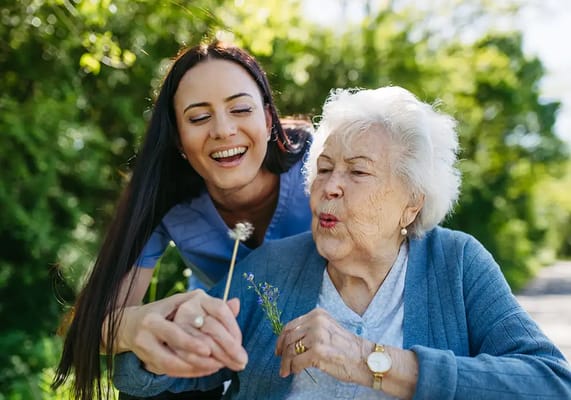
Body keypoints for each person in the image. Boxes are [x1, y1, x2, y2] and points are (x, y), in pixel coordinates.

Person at [113, 85, 571, 399]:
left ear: (412, 203)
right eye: (325, 168)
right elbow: (143, 377)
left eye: (358, 171)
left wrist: (372, 361)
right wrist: (169, 337)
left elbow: (550, 383)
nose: (330, 185)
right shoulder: (271, 267)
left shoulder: (456, 262)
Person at [53, 41, 314, 400]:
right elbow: (84, 323)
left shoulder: (322, 164)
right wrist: (135, 326)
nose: (223, 130)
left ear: (268, 119)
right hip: (225, 350)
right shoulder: (164, 197)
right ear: (177, 138)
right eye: (198, 117)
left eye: (240, 108)